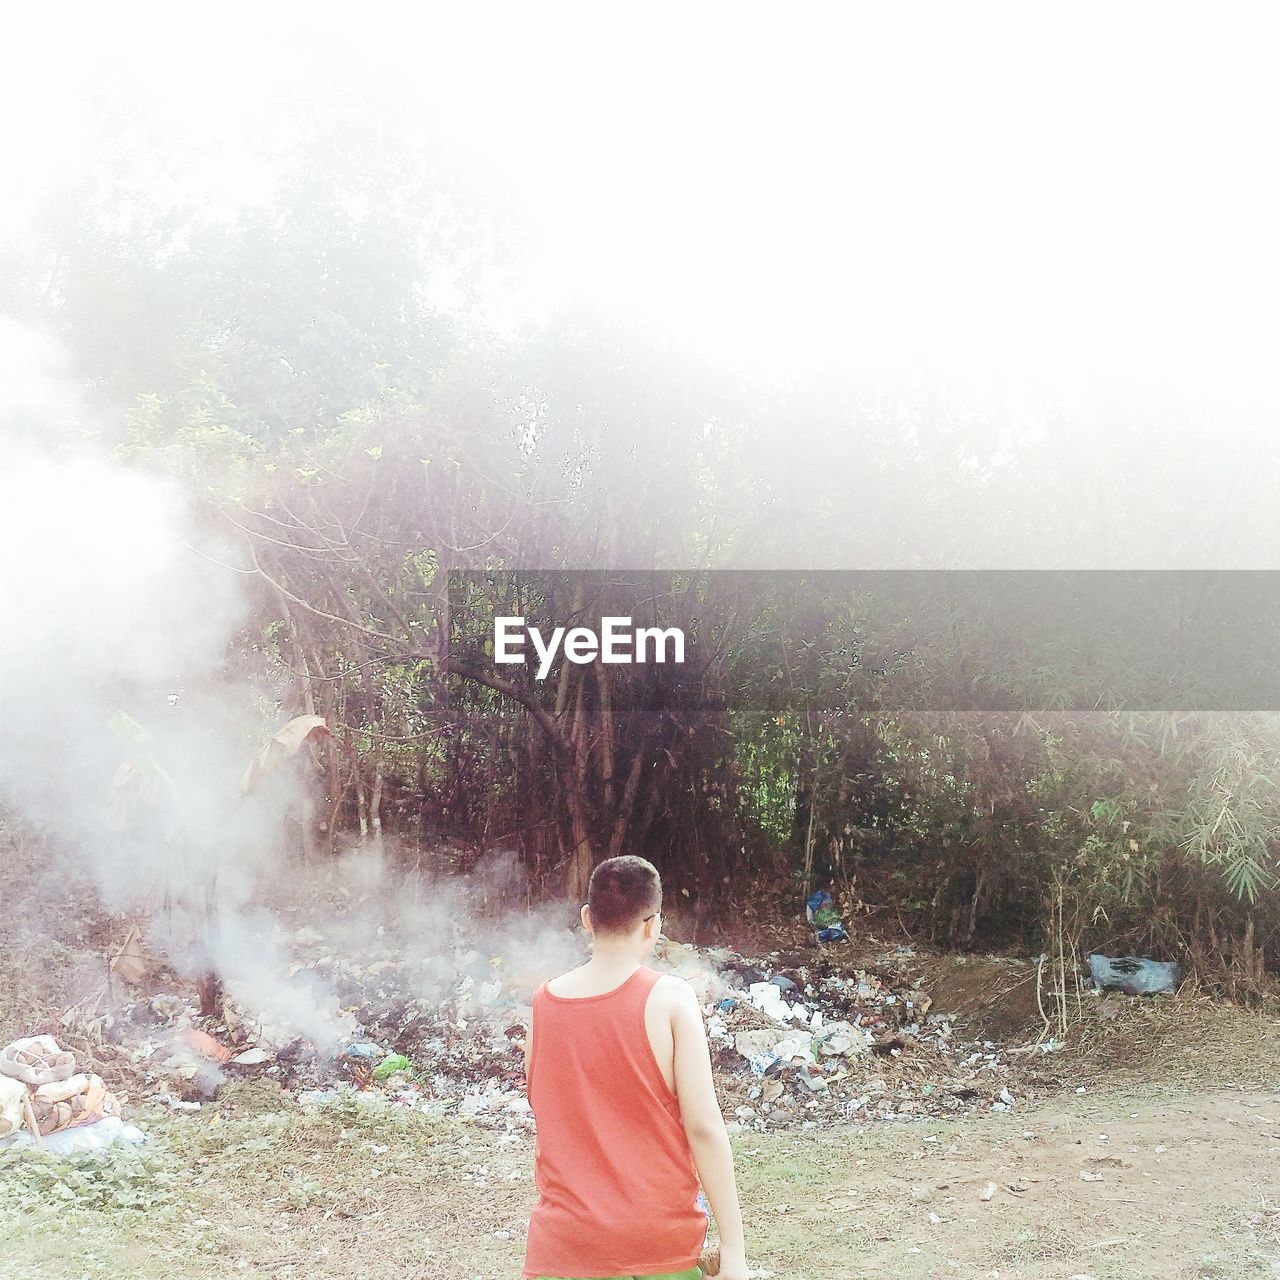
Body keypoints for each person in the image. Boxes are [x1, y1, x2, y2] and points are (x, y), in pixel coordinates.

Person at [522, 855, 749, 1280]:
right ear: (654, 925)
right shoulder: (671, 998)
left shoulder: (543, 1003)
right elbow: (703, 1128)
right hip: (656, 1245)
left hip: (563, 1246)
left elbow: (545, 1105)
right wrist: (733, 1250)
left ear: (588, 918)